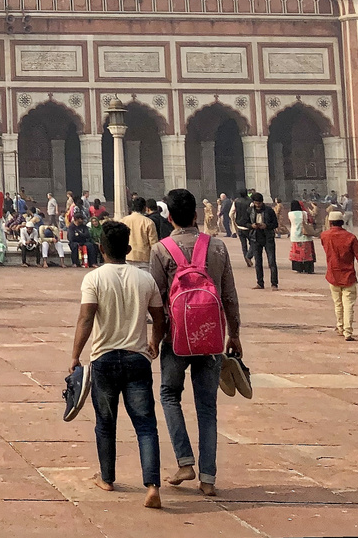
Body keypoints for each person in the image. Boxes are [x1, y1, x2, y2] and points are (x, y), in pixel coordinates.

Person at [149, 189, 241, 498]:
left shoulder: (162, 250)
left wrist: (155, 338)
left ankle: (185, 461)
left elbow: (156, 303)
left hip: (176, 337)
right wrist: (235, 334)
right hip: (212, 337)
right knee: (207, 407)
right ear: (197, 216)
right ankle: (208, 478)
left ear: (170, 217)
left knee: (168, 395)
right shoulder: (216, 247)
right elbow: (228, 294)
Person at [69, 220, 166, 510]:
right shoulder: (144, 279)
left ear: (101, 248)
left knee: (106, 423)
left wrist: (75, 355)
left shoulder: (94, 279)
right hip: (137, 358)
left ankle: (108, 477)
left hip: (104, 358)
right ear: (128, 248)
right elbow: (159, 318)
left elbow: (86, 319)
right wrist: (154, 343)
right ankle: (152, 486)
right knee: (146, 425)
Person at [320, 210, 358, 341]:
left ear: (330, 222)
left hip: (332, 274)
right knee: (348, 304)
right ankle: (348, 332)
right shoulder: (350, 237)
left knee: (338, 304)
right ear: (342, 222)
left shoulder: (325, 236)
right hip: (348, 275)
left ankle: (340, 327)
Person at [247, 193, 278, 290]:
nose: (258, 205)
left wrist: (266, 226)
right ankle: (260, 283)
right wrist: (251, 226)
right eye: (256, 203)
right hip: (255, 238)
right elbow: (244, 222)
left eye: (259, 203)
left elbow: (275, 224)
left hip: (268, 237)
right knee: (258, 262)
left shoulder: (269, 210)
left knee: (271, 261)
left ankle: (274, 283)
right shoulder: (249, 211)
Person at [121, 197, 156, 272]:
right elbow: (153, 243)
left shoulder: (123, 220)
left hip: (127, 256)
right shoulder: (148, 222)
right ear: (144, 208)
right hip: (144, 258)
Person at [288, 200, 316, 274]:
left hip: (295, 235)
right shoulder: (304, 213)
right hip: (305, 235)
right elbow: (310, 220)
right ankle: (308, 268)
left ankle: (298, 268)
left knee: (297, 252)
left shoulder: (290, 214)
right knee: (306, 253)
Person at [231, 190, 252, 266]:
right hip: (249, 225)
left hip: (239, 225)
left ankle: (246, 258)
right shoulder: (250, 202)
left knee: (243, 245)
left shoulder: (236, 201)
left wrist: (234, 221)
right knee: (253, 243)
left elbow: (231, 213)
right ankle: (249, 256)